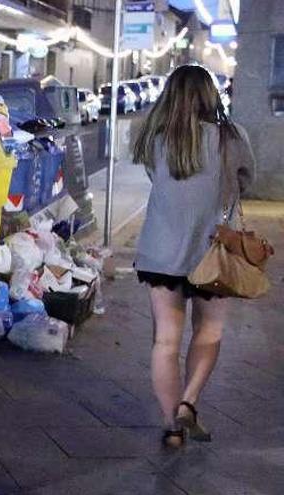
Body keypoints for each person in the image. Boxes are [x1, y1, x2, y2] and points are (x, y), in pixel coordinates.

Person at [131, 65, 255, 448]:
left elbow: (156, 178)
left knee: (165, 342)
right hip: (213, 252)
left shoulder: (152, 136)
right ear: (210, 95)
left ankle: (171, 427)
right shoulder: (231, 137)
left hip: (160, 253)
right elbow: (246, 179)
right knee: (209, 332)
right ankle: (189, 402)